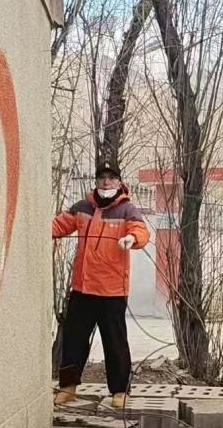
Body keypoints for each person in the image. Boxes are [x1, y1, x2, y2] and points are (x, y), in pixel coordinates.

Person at [52, 160, 151, 408]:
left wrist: (132, 238)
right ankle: (68, 388)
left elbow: (142, 232)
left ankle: (120, 392)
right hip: (83, 289)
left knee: (115, 343)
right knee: (74, 340)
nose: (106, 182)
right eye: (102, 178)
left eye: (111, 178)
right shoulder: (82, 207)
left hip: (112, 291)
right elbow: (58, 225)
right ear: (96, 181)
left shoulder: (127, 210)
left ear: (119, 182)